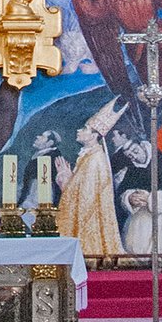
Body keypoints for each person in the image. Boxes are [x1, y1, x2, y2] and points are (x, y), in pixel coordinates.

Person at [55, 100, 125, 258]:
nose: (79, 130)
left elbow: (87, 197)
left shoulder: (95, 159)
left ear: (94, 135)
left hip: (90, 218)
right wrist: (68, 179)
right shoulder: (88, 156)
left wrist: (67, 181)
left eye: (84, 128)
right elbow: (81, 187)